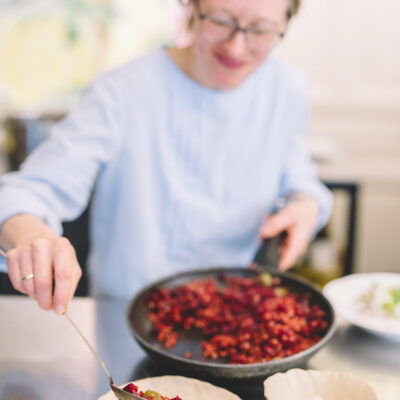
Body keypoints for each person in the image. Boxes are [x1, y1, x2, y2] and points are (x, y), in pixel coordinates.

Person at [0, 0, 332, 315]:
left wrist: (305, 203)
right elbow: (30, 191)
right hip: (128, 316)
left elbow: (297, 173)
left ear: (285, 24)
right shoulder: (122, 91)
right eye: (219, 21)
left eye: (261, 30)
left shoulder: (287, 87)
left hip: (234, 310)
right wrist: (31, 236)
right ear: (191, 8)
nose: (236, 47)